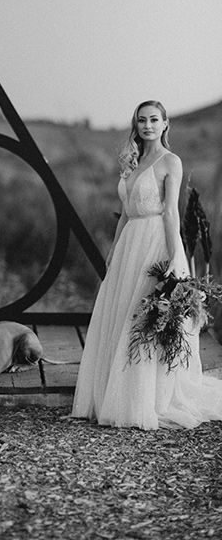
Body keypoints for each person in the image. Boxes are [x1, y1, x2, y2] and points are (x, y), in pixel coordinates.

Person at [72, 100, 222, 429]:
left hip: (155, 241)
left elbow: (170, 212)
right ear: (136, 125)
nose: (148, 125)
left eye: (154, 120)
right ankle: (111, 393)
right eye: (142, 120)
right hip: (129, 244)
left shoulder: (171, 161)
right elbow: (125, 212)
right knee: (120, 312)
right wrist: (113, 251)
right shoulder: (134, 160)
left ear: (166, 124)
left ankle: (144, 399)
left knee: (144, 319)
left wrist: (174, 257)